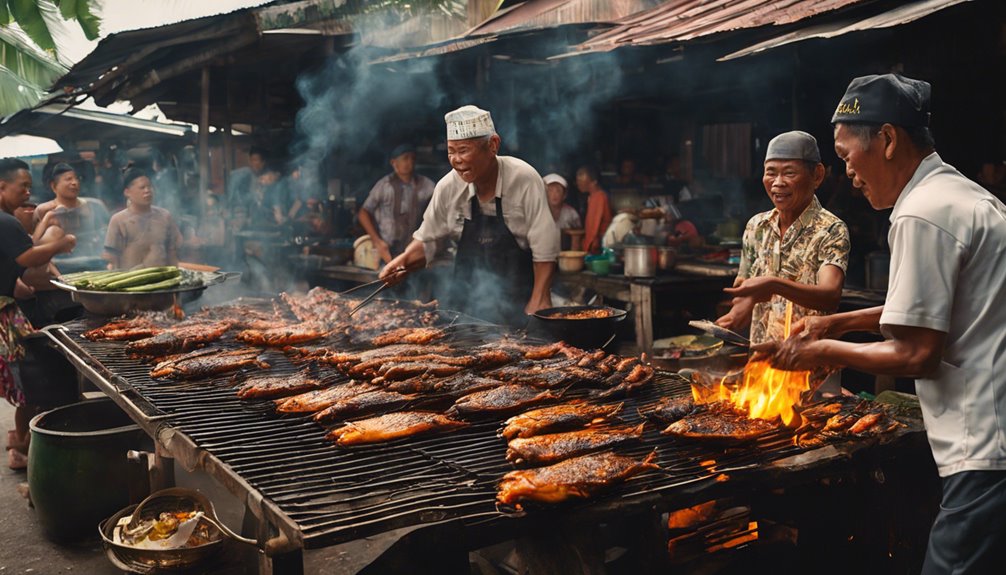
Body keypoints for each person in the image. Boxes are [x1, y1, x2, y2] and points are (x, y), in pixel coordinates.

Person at [759, 74, 1006, 574]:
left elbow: (917, 353)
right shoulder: (958, 194)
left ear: (889, 140)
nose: (848, 172)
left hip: (983, 441)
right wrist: (835, 325)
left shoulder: (923, 214)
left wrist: (819, 353)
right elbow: (930, 310)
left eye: (849, 155)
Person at [380, 105, 559, 324]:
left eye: (463, 150)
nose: (456, 160)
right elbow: (429, 239)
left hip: (520, 300)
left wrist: (540, 298)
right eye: (451, 151)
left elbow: (545, 247)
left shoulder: (524, 179)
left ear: (493, 145)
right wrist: (402, 262)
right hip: (467, 304)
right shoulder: (448, 187)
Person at [715, 131, 850, 348]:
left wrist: (774, 285)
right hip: (762, 364)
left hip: (808, 364)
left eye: (789, 173)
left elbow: (830, 295)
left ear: (817, 175)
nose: (777, 183)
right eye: (771, 173)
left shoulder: (831, 229)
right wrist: (742, 305)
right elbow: (745, 286)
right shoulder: (756, 226)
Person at [0, 158, 76, 469]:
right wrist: (62, 243)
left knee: (27, 380)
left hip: (8, 301)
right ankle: (27, 448)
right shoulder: (5, 221)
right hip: (4, 314)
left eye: (30, 187)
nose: (27, 193)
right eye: (23, 187)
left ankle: (20, 442)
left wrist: (15, 283)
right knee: (31, 381)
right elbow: (28, 256)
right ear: (2, 186)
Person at [359, 144, 436, 264]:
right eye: (405, 158)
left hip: (413, 249)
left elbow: (437, 212)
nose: (409, 162)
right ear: (394, 162)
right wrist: (377, 242)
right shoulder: (384, 185)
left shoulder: (426, 185)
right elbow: (363, 213)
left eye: (412, 158)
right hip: (386, 250)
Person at [103, 168, 183, 270]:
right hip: (131, 281)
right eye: (142, 187)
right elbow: (112, 258)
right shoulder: (119, 220)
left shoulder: (165, 216)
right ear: (127, 192)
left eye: (149, 187)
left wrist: (174, 275)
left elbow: (172, 251)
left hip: (163, 279)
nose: (147, 191)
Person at [33, 163, 110, 264]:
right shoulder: (43, 210)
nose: (74, 183)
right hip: (59, 265)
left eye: (76, 179)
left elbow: (107, 233)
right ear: (53, 185)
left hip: (94, 261)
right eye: (68, 179)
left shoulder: (95, 205)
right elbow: (35, 244)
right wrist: (48, 217)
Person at [576, 165, 612, 254]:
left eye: (581, 179)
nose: (578, 183)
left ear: (594, 182)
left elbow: (594, 228)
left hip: (598, 247)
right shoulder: (592, 197)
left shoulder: (599, 197)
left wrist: (586, 248)